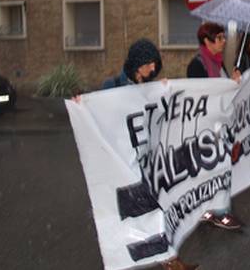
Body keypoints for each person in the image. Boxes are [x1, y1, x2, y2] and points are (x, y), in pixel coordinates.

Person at [99, 39, 197, 270]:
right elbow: (99, 117)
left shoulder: (150, 87)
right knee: (127, 220)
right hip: (121, 164)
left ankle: (170, 261)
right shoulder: (111, 86)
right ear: (136, 64)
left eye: (155, 65)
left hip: (145, 164)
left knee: (156, 211)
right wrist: (81, 105)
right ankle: (139, 260)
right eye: (148, 65)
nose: (153, 70)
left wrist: (162, 93)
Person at [187, 23, 242, 231]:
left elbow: (225, 94)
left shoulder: (219, 63)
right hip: (206, 129)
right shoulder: (197, 65)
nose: (223, 41)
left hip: (221, 127)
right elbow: (201, 97)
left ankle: (213, 211)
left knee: (219, 170)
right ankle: (220, 213)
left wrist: (233, 82)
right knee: (215, 170)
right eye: (219, 38)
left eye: (223, 37)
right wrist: (228, 86)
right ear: (207, 42)